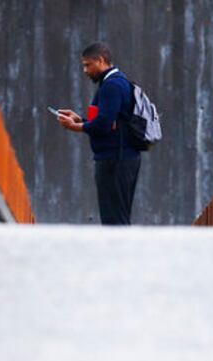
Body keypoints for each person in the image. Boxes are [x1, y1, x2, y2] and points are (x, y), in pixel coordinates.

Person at [56, 42, 140, 225]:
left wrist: (74, 127)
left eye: (88, 65)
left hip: (115, 161)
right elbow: (110, 123)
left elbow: (103, 125)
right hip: (122, 158)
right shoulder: (117, 82)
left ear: (101, 61)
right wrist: (81, 121)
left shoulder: (112, 85)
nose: (85, 70)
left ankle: (119, 253)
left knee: (114, 220)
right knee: (119, 217)